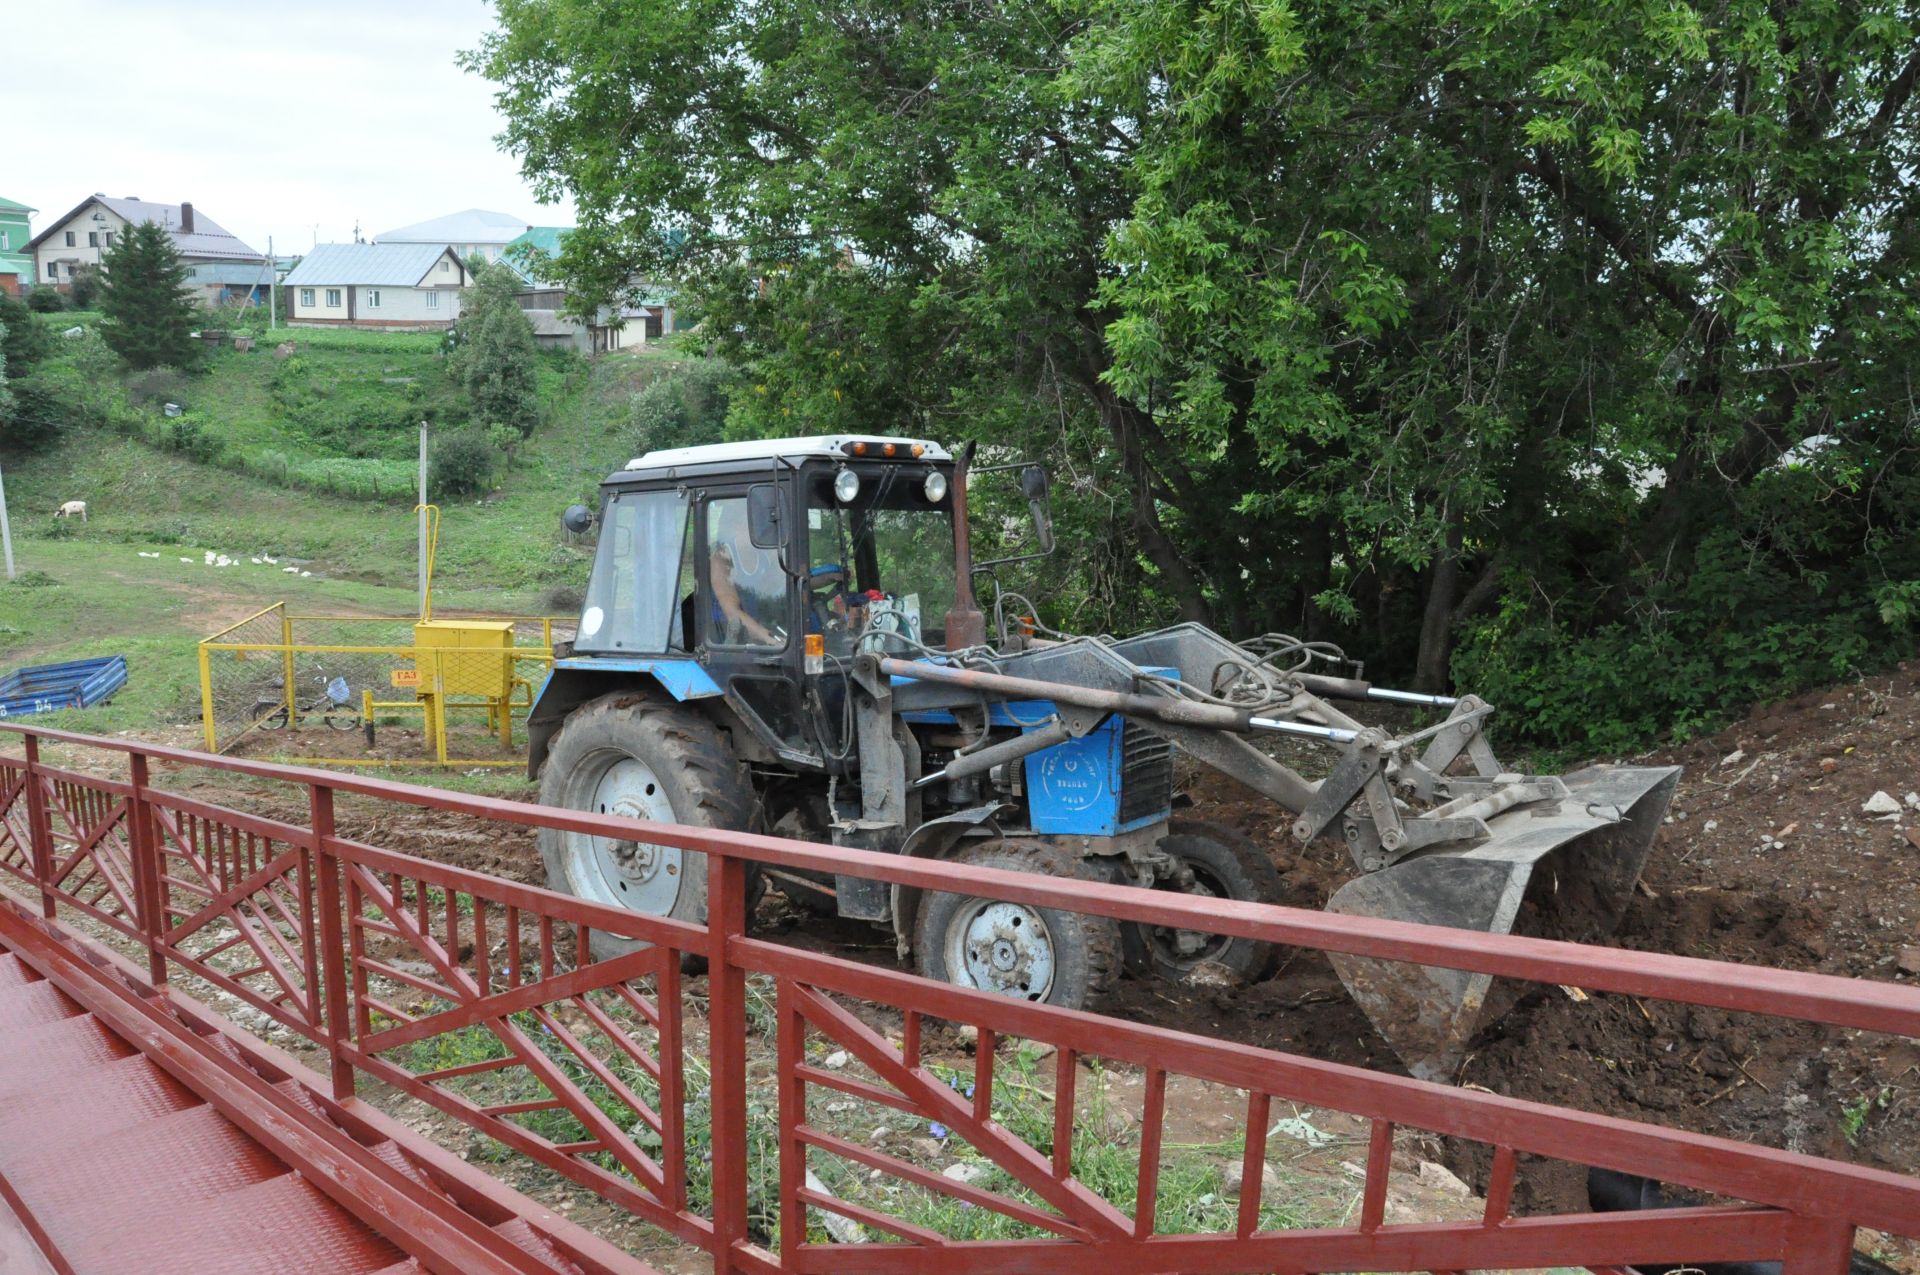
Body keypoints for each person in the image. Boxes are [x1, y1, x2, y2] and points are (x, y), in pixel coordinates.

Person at [708, 501, 780, 645]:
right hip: (723, 634)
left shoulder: (765, 554)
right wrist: (767, 638)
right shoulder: (722, 556)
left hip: (756, 623)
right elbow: (731, 612)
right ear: (734, 527)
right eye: (748, 526)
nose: (761, 531)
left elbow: (779, 588)